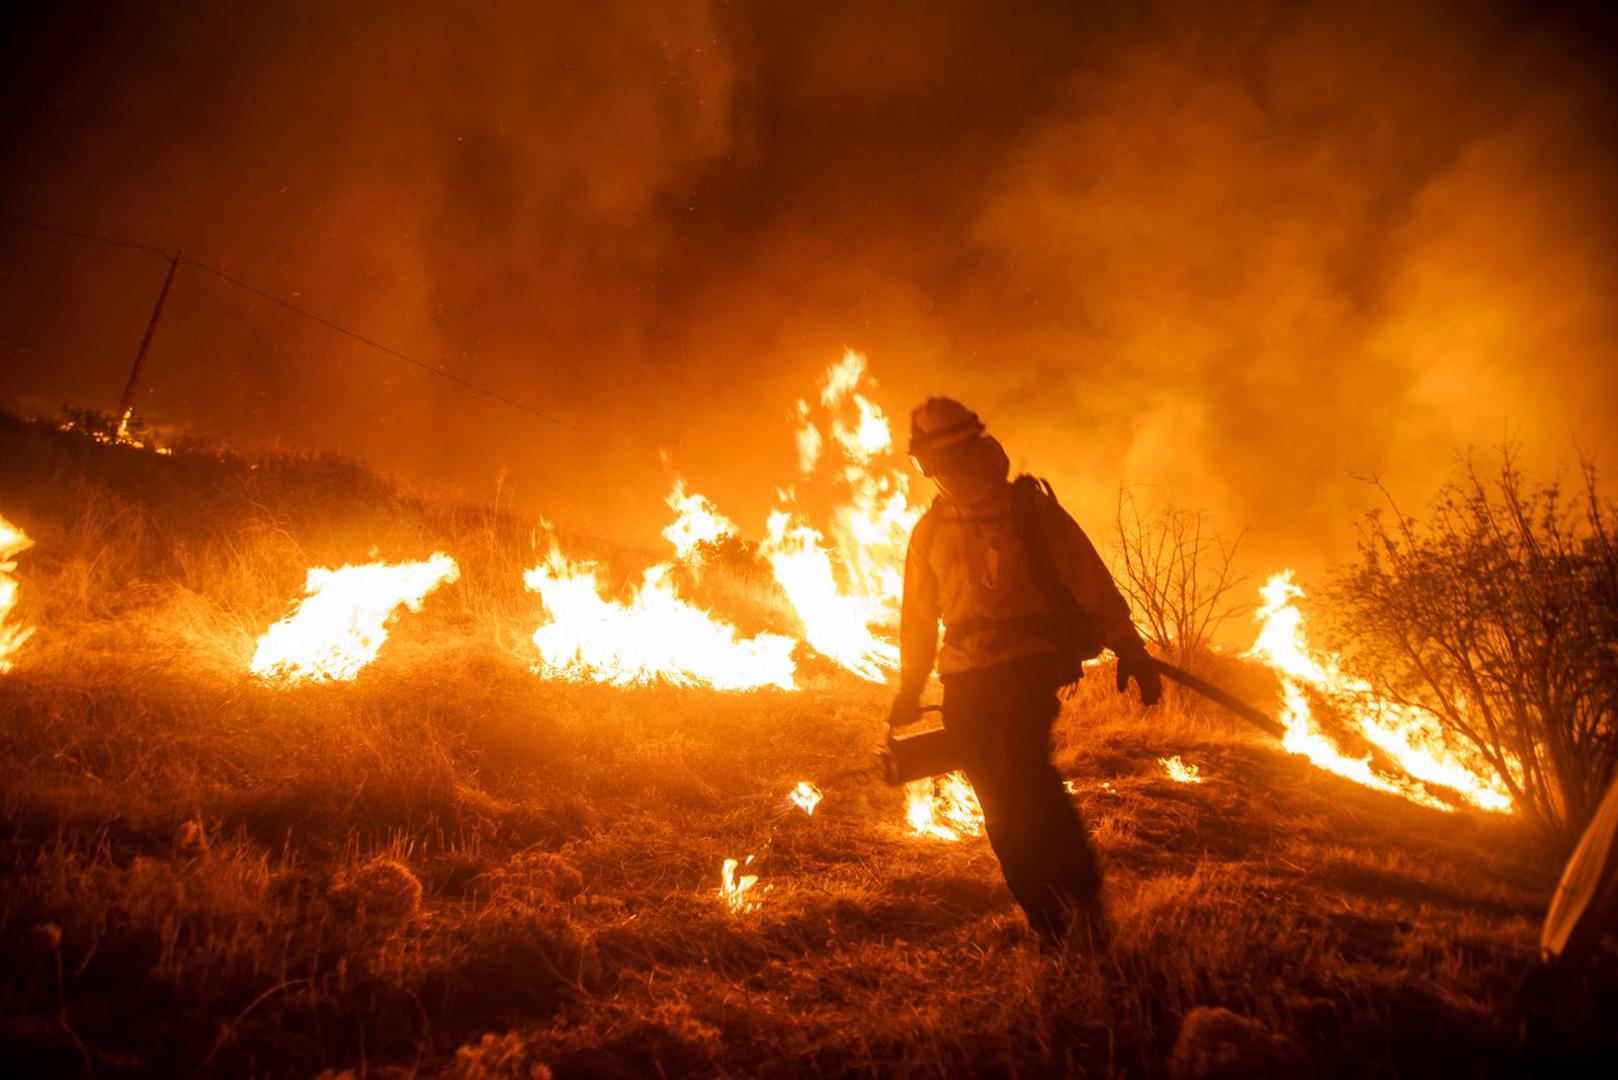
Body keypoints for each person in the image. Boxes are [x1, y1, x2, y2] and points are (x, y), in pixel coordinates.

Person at [890, 396, 1161, 949]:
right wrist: (911, 686)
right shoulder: (930, 533)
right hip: (965, 675)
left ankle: (1084, 897)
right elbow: (918, 618)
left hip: (1027, 665)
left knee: (1022, 773)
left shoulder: (1031, 513)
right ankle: (1048, 922)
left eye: (949, 460)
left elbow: (1090, 582)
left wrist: (1130, 649)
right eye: (931, 466)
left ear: (977, 451)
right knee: (992, 793)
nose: (943, 474)